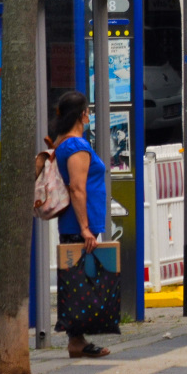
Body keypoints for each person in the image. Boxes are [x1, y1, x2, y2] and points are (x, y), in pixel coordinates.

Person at [51, 91, 110, 359]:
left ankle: (78, 340)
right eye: (88, 111)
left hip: (77, 224)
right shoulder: (75, 146)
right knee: (79, 281)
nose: (90, 115)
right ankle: (76, 341)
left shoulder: (66, 143)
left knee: (80, 281)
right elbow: (77, 189)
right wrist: (85, 227)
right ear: (82, 115)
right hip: (77, 225)